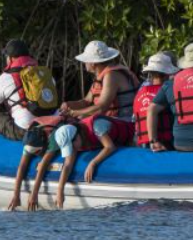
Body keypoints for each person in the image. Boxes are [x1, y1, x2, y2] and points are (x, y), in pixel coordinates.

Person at [59, 41, 139, 181]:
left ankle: (79, 159)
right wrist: (68, 105)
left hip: (123, 122)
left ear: (93, 63)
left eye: (86, 61)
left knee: (90, 123)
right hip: (108, 121)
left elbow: (101, 107)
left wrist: (75, 114)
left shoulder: (111, 76)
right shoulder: (100, 76)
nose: (84, 64)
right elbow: (86, 101)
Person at [0, 39, 57, 140]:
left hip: (25, 130)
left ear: (10, 59)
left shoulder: (4, 78)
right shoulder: (46, 75)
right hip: (51, 124)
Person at [26, 121, 99, 210]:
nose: (73, 149)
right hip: (60, 135)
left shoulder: (85, 132)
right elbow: (45, 165)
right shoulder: (55, 142)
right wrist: (34, 193)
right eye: (70, 147)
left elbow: (68, 163)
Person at [132, 53, 178, 149]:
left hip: (142, 143)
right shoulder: (168, 90)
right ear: (167, 74)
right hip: (163, 142)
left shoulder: (140, 92)